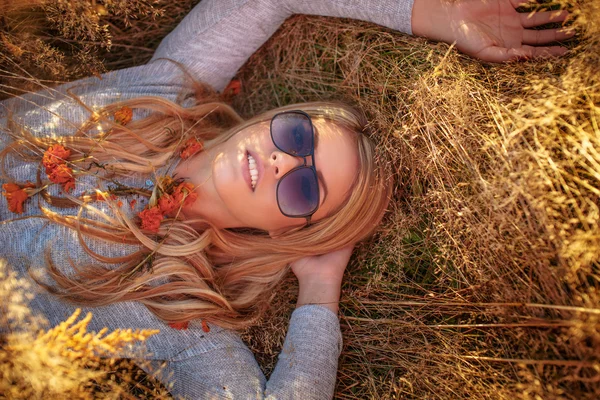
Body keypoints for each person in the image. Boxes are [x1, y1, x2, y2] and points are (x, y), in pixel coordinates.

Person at [0, 0, 572, 398]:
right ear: (273, 120)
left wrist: (318, 294)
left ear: (287, 232)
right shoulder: (161, 90)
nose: (283, 161)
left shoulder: (181, 321)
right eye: (296, 136)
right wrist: (434, 14)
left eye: (305, 187)